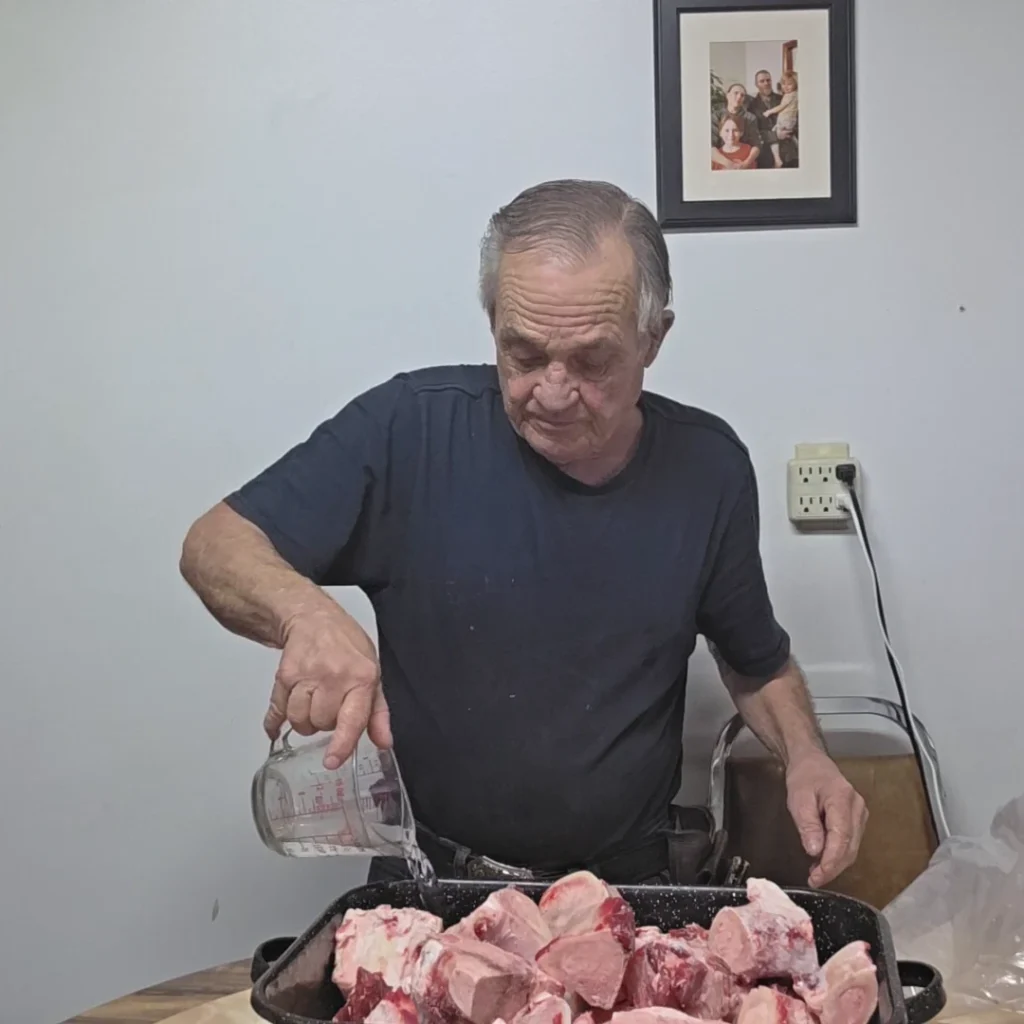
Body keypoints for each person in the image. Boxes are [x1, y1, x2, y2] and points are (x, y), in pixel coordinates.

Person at [179, 178, 868, 888]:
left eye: (593, 359)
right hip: (434, 880)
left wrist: (807, 755)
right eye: (525, 354)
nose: (554, 392)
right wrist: (305, 615)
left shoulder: (709, 468)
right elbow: (213, 544)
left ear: (654, 337)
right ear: (492, 324)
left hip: (626, 888)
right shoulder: (408, 430)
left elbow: (755, 660)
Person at [746, 68, 797, 170]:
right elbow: (752, 133)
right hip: (765, 157)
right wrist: (775, 135)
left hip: (789, 154)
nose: (766, 83)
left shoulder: (784, 98)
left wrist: (790, 131)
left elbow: (796, 119)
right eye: (762, 81)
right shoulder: (751, 106)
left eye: (768, 80)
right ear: (756, 84)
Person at [710, 84, 761, 170]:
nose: (739, 97)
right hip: (720, 160)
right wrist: (729, 164)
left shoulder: (750, 118)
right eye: (736, 93)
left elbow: (756, 144)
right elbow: (710, 145)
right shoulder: (716, 116)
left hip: (743, 159)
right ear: (727, 95)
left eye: (742, 95)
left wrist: (745, 164)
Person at [762, 73, 799, 168]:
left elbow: (782, 107)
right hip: (765, 151)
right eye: (784, 84)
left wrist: (769, 112)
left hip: (787, 126)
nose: (786, 87)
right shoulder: (752, 104)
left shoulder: (788, 96)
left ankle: (777, 158)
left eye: (789, 84)